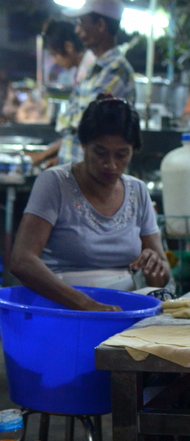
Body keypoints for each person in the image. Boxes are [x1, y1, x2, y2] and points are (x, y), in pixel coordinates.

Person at [11, 95, 170, 313]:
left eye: (122, 154)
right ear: (84, 145)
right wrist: (86, 305)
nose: (111, 164)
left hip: (121, 309)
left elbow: (161, 278)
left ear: (133, 150)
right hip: (61, 309)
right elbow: (22, 260)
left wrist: (156, 268)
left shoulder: (138, 191)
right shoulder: (55, 183)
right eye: (100, 152)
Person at [47, 0, 134, 166]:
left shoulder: (116, 70)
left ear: (100, 25)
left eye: (82, 23)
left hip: (92, 182)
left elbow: (89, 121)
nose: (77, 30)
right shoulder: (95, 70)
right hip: (77, 178)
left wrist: (66, 122)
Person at [30, 20, 95, 168]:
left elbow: (81, 126)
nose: (55, 61)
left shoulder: (92, 71)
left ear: (68, 47)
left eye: (54, 54)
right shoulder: (81, 72)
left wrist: (43, 155)